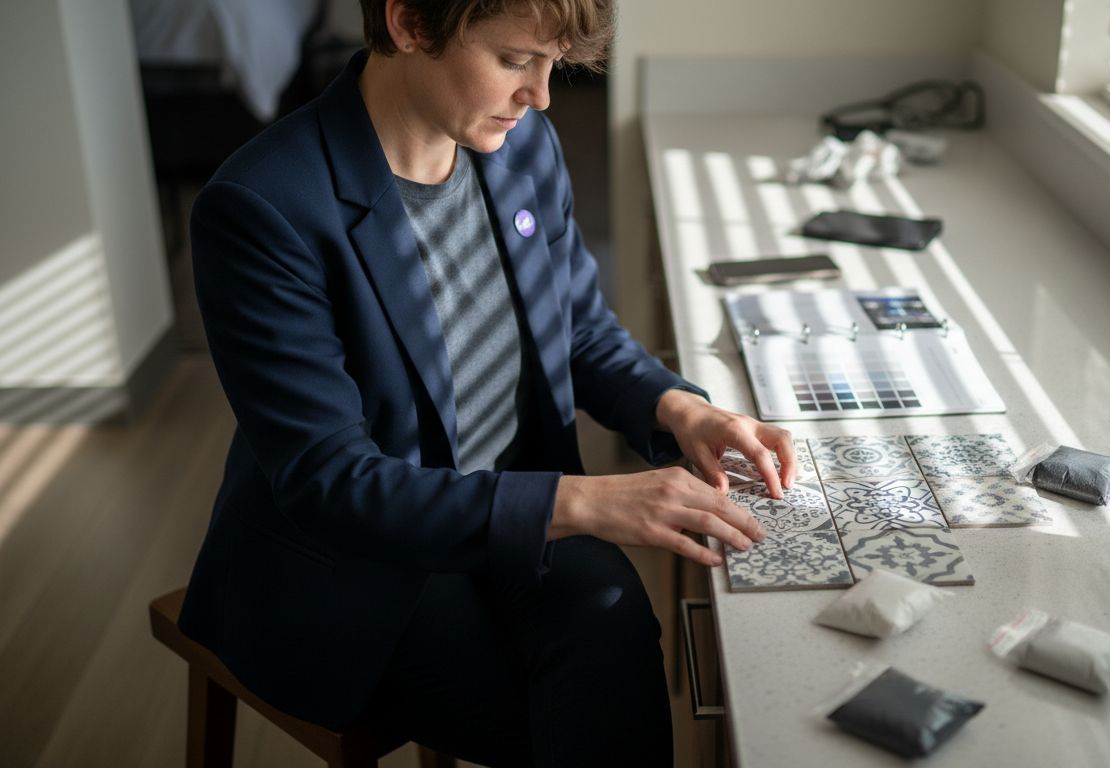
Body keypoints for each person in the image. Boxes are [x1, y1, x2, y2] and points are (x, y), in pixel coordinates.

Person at [177, 0, 796, 764]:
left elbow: (577, 328)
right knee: (580, 708)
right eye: (514, 61)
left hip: (510, 507)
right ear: (409, 24)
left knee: (613, 629)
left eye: (552, 65)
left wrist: (678, 409)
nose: (541, 95)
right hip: (360, 570)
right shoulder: (263, 206)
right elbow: (332, 482)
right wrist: (589, 501)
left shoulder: (519, 142)